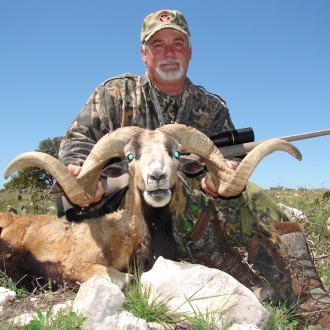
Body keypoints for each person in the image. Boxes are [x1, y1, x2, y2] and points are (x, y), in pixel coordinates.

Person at [57, 9, 330, 328]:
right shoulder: (115, 93)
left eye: (177, 43)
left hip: (185, 199)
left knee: (246, 196)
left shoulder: (211, 107)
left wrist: (225, 173)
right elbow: (77, 140)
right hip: (121, 204)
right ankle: (234, 281)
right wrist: (78, 173)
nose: (168, 52)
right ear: (144, 53)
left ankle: (311, 301)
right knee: (170, 186)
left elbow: (228, 166)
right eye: (157, 44)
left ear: (189, 51)